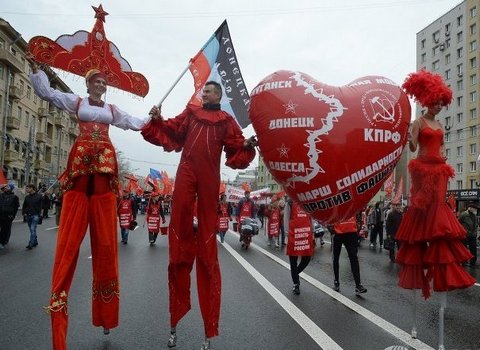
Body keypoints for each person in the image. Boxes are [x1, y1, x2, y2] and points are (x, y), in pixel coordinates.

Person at [28, 56, 151, 349]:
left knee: (107, 248)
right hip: (81, 171)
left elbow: (134, 123)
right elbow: (49, 94)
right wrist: (37, 72)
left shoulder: (111, 109)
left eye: (104, 82)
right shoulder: (77, 102)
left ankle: (107, 315)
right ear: (88, 83)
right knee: (68, 246)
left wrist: (152, 118)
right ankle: (59, 322)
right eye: (97, 81)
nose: (101, 84)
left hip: (104, 173)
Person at [142, 81, 256, 349]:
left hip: (208, 176)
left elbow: (236, 148)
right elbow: (173, 130)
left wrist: (248, 145)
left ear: (218, 95)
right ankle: (181, 243)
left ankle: (208, 326)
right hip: (187, 171)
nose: (203, 94)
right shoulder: (191, 113)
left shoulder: (225, 120)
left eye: (208, 91)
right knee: (180, 230)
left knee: (207, 247)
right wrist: (158, 119)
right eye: (203, 91)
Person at [396, 70, 475, 299]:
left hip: (439, 171)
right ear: (428, 100)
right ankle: (422, 247)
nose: (439, 106)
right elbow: (412, 149)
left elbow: (441, 149)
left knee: (439, 208)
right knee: (423, 210)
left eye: (442, 103)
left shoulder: (440, 124)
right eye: (437, 102)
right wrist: (408, 137)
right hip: (422, 170)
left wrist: (443, 160)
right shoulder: (419, 122)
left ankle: (438, 257)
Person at [330, 216, 367, 295]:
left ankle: (358, 285)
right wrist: (331, 228)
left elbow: (358, 210)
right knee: (336, 258)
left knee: (354, 257)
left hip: (351, 232)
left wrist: (358, 227)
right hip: (338, 233)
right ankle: (336, 281)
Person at [284, 198, 314, 295]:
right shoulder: (290, 202)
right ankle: (296, 283)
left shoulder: (308, 200)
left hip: (306, 233)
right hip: (294, 234)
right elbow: (286, 218)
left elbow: (311, 217)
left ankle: (295, 273)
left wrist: (312, 231)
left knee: (307, 258)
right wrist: (286, 233)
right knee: (293, 260)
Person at [22, 184, 43, 249]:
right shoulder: (27, 197)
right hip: (28, 215)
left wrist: (40, 214)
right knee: (32, 230)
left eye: (28, 188)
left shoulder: (39, 196)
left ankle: (31, 243)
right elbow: (24, 206)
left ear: (32, 188)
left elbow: (41, 206)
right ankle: (35, 241)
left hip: (35, 215)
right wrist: (24, 213)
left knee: (32, 229)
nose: (27, 189)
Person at [458, 203, 479, 267]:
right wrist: (463, 231)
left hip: (473, 235)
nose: (475, 210)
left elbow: (476, 224)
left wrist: (475, 232)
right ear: (469, 208)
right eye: (474, 208)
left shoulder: (475, 215)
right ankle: (463, 262)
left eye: (475, 209)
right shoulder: (464, 214)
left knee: (473, 249)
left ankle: (473, 263)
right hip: (465, 235)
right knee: (464, 249)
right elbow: (458, 222)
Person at [0, 183, 20, 249]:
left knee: (5, 229)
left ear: (11, 188)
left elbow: (16, 208)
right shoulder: (1, 195)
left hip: (8, 216)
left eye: (7, 186)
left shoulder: (14, 197)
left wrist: (12, 216)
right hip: (0, 214)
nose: (5, 187)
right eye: (5, 186)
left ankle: (2, 242)